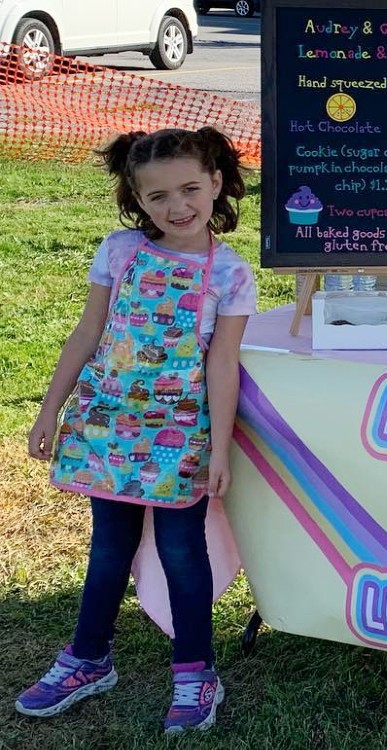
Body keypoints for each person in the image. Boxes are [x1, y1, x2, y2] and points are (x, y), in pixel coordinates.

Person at [17, 127, 256, 733]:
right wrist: (51, 409)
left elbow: (223, 362)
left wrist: (220, 445)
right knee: (106, 551)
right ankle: (88, 657)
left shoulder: (229, 274)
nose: (177, 207)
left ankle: (196, 671)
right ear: (136, 198)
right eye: (157, 197)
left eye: (190, 189)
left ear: (218, 184)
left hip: (179, 439)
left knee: (182, 551)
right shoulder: (120, 252)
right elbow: (88, 332)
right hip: (107, 427)